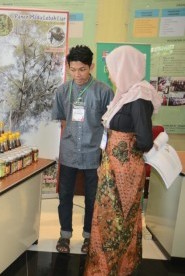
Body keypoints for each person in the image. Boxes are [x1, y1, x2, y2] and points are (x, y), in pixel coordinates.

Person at [84, 45, 162, 275]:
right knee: (107, 215)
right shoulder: (126, 94)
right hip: (113, 166)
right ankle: (105, 266)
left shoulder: (139, 96)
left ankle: (115, 267)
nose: (109, 74)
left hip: (125, 170)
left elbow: (145, 139)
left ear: (124, 67)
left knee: (118, 218)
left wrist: (123, 151)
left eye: (112, 69)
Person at [51, 45, 114, 254]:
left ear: (92, 67)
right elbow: (62, 122)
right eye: (73, 69)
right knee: (65, 195)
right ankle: (65, 235)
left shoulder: (104, 92)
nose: (77, 74)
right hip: (68, 152)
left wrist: (104, 155)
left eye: (83, 69)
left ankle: (89, 236)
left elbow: (108, 127)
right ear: (68, 67)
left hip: (93, 153)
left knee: (92, 197)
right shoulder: (62, 91)